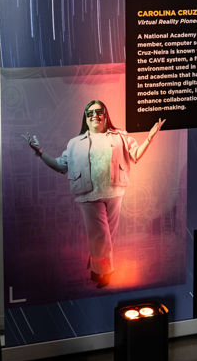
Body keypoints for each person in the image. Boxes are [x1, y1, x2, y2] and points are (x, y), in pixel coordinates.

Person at [22, 101, 165, 289]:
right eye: (90, 113)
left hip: (115, 191)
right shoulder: (75, 143)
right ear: (85, 118)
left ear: (105, 114)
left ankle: (96, 270)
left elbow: (135, 156)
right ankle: (107, 273)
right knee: (101, 236)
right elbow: (59, 165)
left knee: (107, 238)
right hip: (88, 194)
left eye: (99, 111)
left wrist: (150, 138)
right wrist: (39, 152)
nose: (94, 115)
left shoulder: (120, 136)